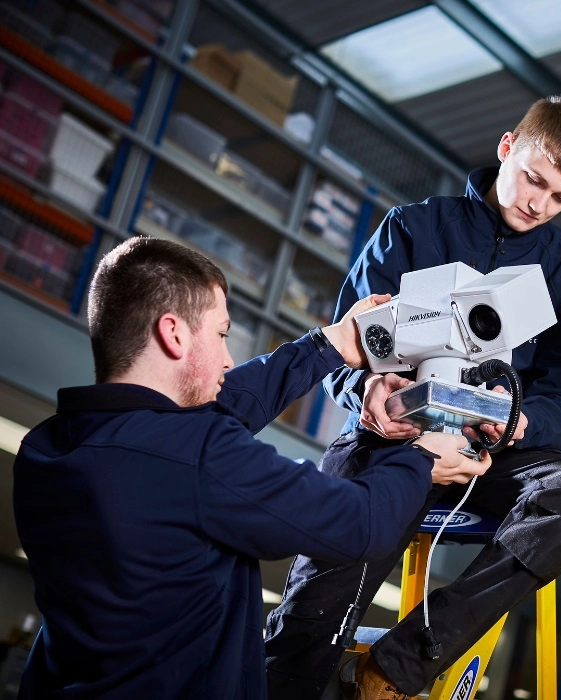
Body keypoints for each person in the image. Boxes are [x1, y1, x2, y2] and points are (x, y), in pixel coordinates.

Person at [11, 237, 489, 699]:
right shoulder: (197, 456)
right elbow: (361, 523)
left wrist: (331, 346)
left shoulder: (50, 449)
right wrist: (423, 458)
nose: (228, 356)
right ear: (173, 333)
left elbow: (212, 411)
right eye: (220, 334)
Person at [264, 96, 561, 700]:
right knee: (307, 629)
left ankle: (403, 663)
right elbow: (340, 351)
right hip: (392, 440)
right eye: (534, 180)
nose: (539, 204)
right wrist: (370, 389)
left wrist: (518, 421)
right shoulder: (413, 228)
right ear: (507, 147)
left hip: (491, 455)